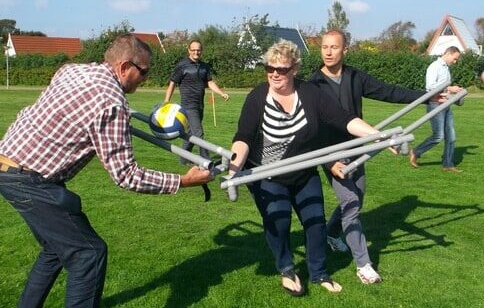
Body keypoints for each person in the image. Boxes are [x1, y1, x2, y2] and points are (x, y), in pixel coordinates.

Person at [0, 34, 214, 308]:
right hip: (29, 180)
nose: (146, 78)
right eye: (144, 72)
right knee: (89, 254)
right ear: (124, 67)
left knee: (56, 249)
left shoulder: (72, 70)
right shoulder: (112, 103)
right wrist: (183, 180)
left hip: (9, 165)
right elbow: (126, 175)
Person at [228, 40, 382, 296]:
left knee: (315, 224)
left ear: (295, 69)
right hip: (267, 174)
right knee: (278, 221)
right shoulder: (257, 97)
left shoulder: (310, 93)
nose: (274, 74)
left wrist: (377, 135)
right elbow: (243, 136)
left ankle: (319, 273)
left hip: (303, 172)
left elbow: (343, 118)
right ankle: (287, 269)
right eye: (269, 68)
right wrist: (234, 169)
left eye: (282, 69)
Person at [310, 29, 438, 284]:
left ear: (345, 50)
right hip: (332, 153)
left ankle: (331, 233)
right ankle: (364, 265)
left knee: (355, 199)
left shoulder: (355, 77)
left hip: (358, 147)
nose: (328, 52)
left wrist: (428, 96)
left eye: (334, 47)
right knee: (351, 204)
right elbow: (313, 128)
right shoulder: (313, 84)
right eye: (324, 47)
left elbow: (389, 92)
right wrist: (329, 161)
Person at [164, 40, 229, 161]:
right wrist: (166, 101)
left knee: (190, 133)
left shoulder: (204, 66)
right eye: (193, 50)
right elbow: (172, 83)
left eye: (198, 50)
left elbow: (209, 82)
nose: (196, 52)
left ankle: (183, 159)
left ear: (201, 51)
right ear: (189, 50)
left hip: (200, 105)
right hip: (188, 106)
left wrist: (221, 93)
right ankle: (206, 161)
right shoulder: (182, 65)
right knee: (199, 133)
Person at [409, 46, 464, 173]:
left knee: (451, 137)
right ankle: (416, 152)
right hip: (435, 104)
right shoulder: (434, 67)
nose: (455, 62)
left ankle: (448, 164)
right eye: (455, 59)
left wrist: (453, 93)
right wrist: (450, 88)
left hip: (446, 104)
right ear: (448, 54)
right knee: (438, 136)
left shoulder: (446, 68)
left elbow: (443, 87)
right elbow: (430, 87)